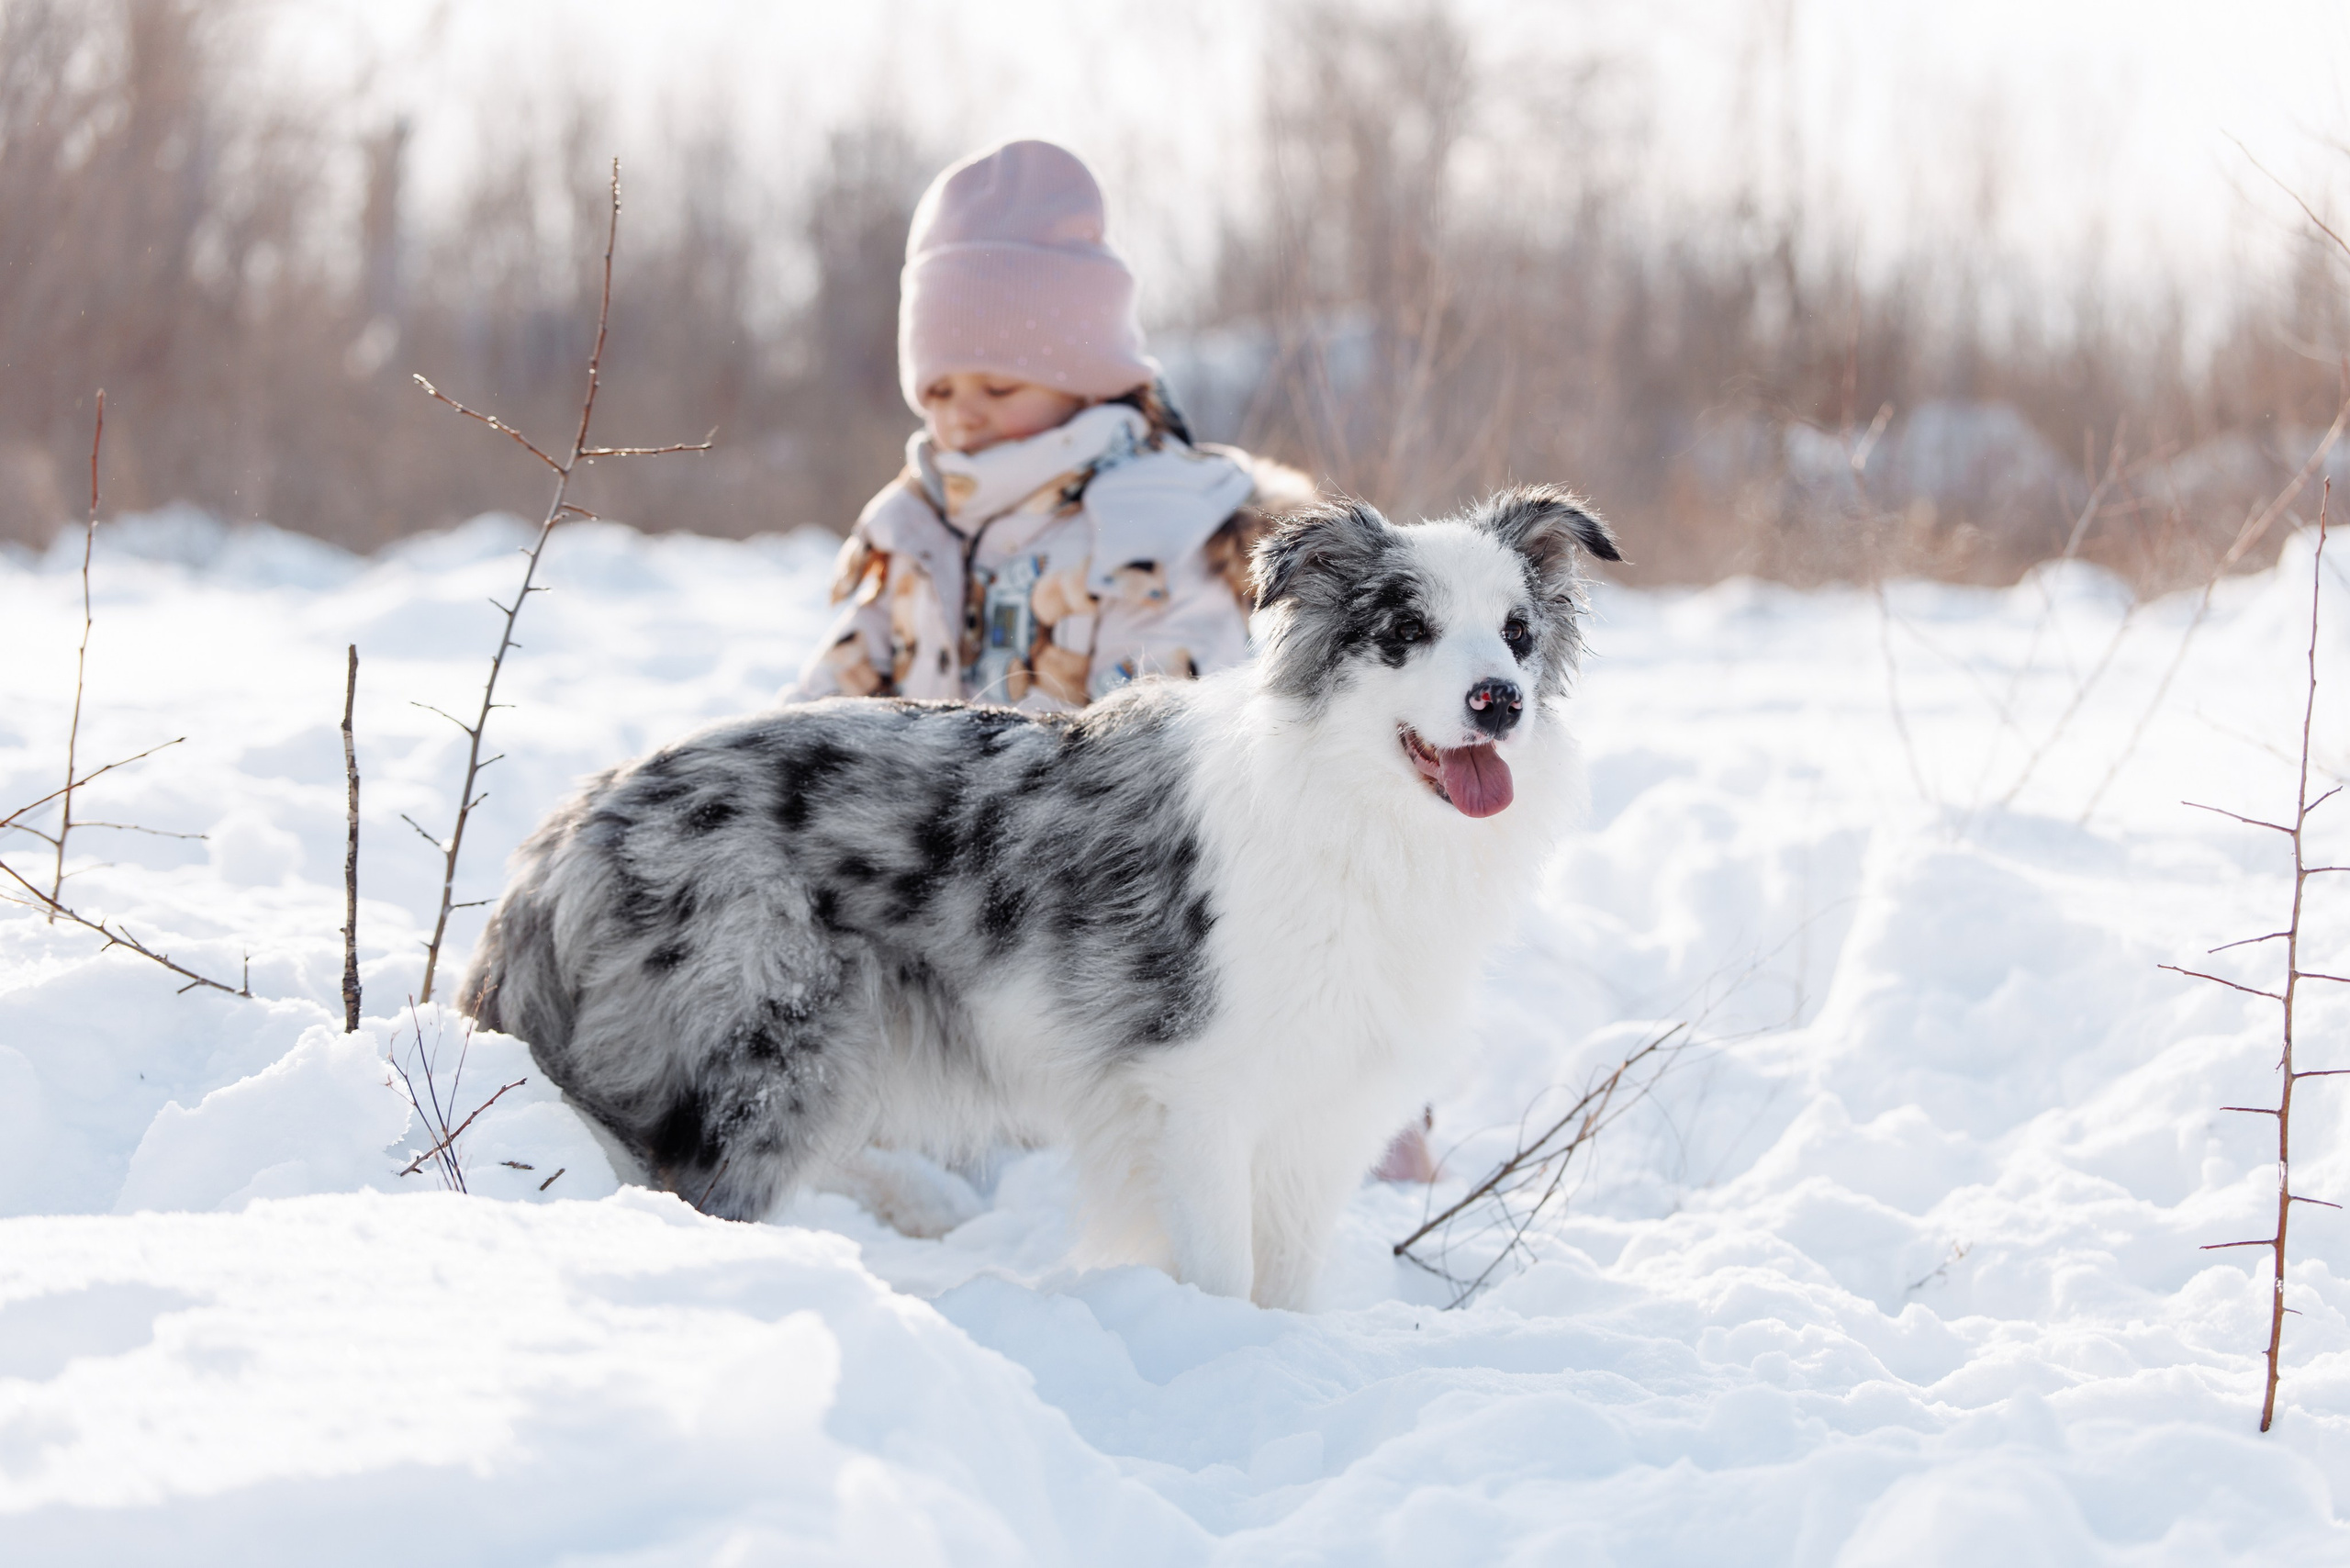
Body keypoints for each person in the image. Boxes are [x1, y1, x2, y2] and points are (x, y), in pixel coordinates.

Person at [786, 138, 1312, 711]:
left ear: (1087, 378)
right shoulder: (912, 527)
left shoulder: (1157, 530)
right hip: (910, 800)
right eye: (938, 390)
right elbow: (819, 715)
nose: (963, 414)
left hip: (1078, 801)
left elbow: (1161, 759)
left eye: (999, 387)